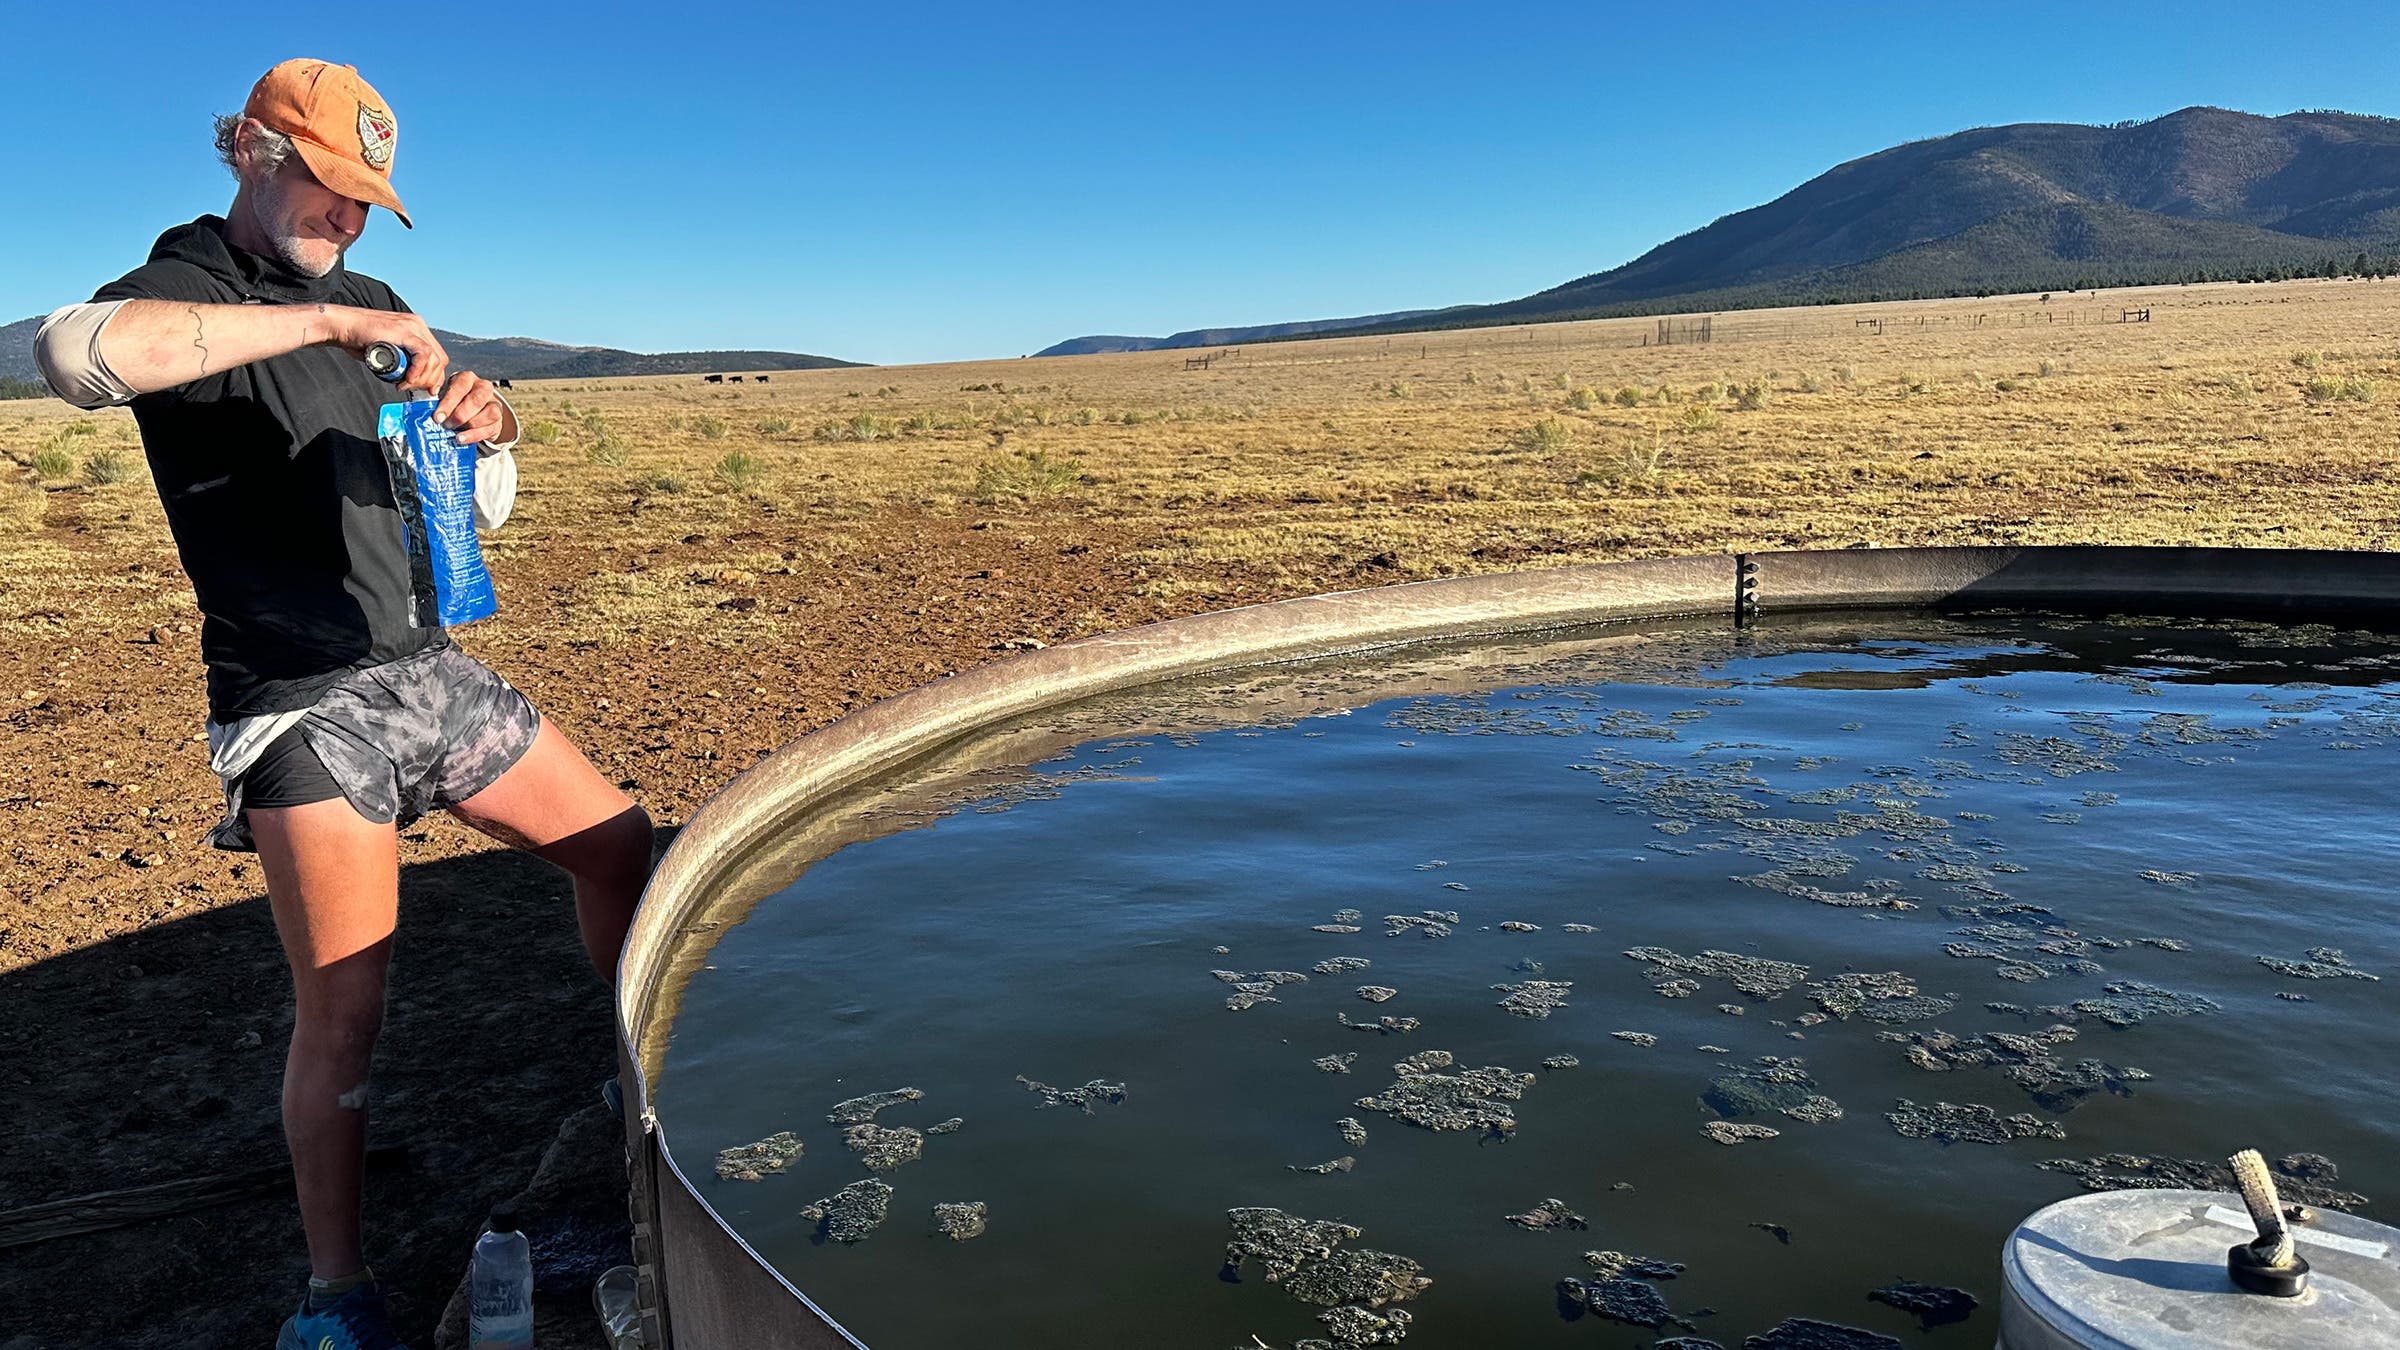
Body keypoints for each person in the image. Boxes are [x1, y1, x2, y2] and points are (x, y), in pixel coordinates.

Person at [34, 59, 654, 1350]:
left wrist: (491, 422)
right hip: (300, 698)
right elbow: (75, 355)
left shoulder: (375, 295)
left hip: (423, 666)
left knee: (623, 849)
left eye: (370, 202)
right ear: (256, 152)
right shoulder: (185, 282)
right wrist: (317, 329)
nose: (351, 223)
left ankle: (627, 1085)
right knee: (348, 1007)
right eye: (333, 190)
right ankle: (336, 1295)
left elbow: (459, 457)